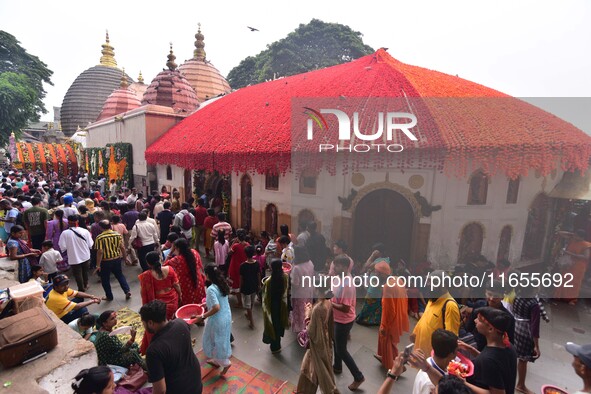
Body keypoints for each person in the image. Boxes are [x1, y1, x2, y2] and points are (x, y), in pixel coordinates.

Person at [140, 300, 203, 394]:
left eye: (143, 322)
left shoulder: (153, 351)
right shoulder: (181, 323)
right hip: (196, 381)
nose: (143, 325)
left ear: (150, 323)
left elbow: (160, 390)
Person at [296, 283, 338, 394]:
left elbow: (310, 331)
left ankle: (304, 391)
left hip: (317, 344)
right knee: (312, 369)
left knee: (309, 371)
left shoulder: (318, 309)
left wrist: (307, 314)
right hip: (324, 340)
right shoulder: (328, 302)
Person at [331, 255, 365, 390]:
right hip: (337, 318)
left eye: (336, 266)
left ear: (345, 267)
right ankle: (337, 366)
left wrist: (329, 303)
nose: (333, 268)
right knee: (336, 342)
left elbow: (345, 308)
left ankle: (358, 376)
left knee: (341, 349)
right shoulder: (340, 279)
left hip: (343, 321)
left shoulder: (348, 285)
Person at [411, 270, 460, 356]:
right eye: (429, 281)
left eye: (434, 282)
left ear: (444, 285)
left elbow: (451, 338)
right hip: (420, 351)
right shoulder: (432, 299)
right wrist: (415, 334)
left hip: (432, 358)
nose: (429, 284)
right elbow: (425, 319)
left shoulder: (450, 306)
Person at [195, 265, 232, 375]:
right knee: (221, 339)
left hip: (217, 319)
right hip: (226, 316)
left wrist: (202, 317)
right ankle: (217, 360)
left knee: (215, 340)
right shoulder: (221, 283)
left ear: (207, 275)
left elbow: (216, 307)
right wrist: (204, 304)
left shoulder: (211, 288)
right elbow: (219, 301)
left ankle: (225, 363)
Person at [375, 261, 409, 370]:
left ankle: (394, 368)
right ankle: (387, 359)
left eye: (377, 273)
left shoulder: (387, 286)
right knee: (390, 342)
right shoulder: (397, 279)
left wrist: (385, 326)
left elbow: (389, 309)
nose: (375, 275)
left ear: (382, 274)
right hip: (398, 316)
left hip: (390, 320)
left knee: (388, 342)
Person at [513, 286, 541, 394]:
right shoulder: (534, 305)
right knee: (523, 359)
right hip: (525, 331)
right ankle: (520, 385)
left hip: (515, 326)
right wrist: (536, 346)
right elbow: (535, 327)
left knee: (514, 353)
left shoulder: (518, 297)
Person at [412, 329, 458, 394]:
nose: (458, 353)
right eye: (457, 351)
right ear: (451, 354)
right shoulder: (431, 385)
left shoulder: (429, 361)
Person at [94, 220, 131, 301]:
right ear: (110, 226)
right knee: (120, 275)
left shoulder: (100, 237)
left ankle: (109, 296)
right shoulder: (117, 235)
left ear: (101, 228)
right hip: (117, 259)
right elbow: (122, 247)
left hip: (106, 261)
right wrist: (125, 258)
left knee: (105, 279)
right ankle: (127, 290)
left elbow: (100, 252)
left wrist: (98, 265)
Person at [164, 238, 206, 306]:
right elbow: (200, 266)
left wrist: (170, 253)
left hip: (185, 285)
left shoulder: (177, 259)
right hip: (198, 281)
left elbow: (164, 266)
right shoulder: (194, 252)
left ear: (178, 248)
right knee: (199, 303)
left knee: (188, 305)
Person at [554, 229, 591, 305]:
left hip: (578, 266)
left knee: (574, 282)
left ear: (581, 237)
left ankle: (570, 299)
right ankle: (560, 296)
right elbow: (560, 233)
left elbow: (586, 257)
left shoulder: (586, 245)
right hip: (568, 265)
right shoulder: (573, 240)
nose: (575, 237)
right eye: (575, 235)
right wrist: (572, 234)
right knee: (564, 280)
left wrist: (570, 254)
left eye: (577, 236)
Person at [261, 258, 289, 353]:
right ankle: (277, 344)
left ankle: (274, 346)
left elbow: (264, 297)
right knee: (279, 323)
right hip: (282, 305)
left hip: (272, 306)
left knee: (273, 323)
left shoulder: (268, 282)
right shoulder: (284, 277)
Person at [59, 215, 94, 291]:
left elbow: (62, 247)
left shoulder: (65, 233)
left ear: (68, 222)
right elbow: (90, 244)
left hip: (73, 256)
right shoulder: (85, 231)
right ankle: (86, 284)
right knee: (85, 271)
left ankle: (81, 288)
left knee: (77, 273)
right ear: (77, 221)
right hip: (85, 255)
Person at [356, 257, 389, 326]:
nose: (375, 271)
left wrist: (365, 280)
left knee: (366, 309)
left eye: (376, 270)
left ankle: (362, 320)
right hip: (378, 297)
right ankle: (374, 321)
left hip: (370, 296)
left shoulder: (374, 278)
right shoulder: (383, 280)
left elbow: (368, 286)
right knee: (376, 310)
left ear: (379, 272)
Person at [291, 245, 315, 333]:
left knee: (300, 311)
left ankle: (301, 330)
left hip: (300, 293)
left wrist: (290, 279)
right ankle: (308, 326)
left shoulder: (296, 268)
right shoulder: (310, 263)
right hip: (309, 290)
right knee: (308, 309)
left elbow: (295, 284)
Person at [240, 245, 261, 329]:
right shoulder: (257, 263)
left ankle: (251, 321)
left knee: (247, 304)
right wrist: (259, 285)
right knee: (251, 301)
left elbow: (241, 278)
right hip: (254, 286)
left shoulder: (242, 265)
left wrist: (240, 287)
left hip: (246, 287)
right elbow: (258, 275)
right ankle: (249, 313)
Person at [228, 228, 249, 307]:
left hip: (235, 267)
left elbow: (229, 253)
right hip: (244, 266)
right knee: (243, 282)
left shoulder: (235, 246)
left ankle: (240, 302)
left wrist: (233, 242)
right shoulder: (247, 245)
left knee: (236, 283)